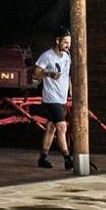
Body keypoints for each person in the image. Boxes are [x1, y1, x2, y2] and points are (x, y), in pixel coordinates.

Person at [32, 31, 73, 169]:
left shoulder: (67, 56)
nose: (68, 45)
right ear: (57, 41)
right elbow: (36, 73)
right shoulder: (47, 56)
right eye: (65, 42)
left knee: (51, 127)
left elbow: (68, 75)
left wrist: (70, 92)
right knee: (62, 126)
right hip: (51, 97)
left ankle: (42, 158)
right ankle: (68, 159)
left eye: (69, 43)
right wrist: (49, 73)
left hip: (62, 97)